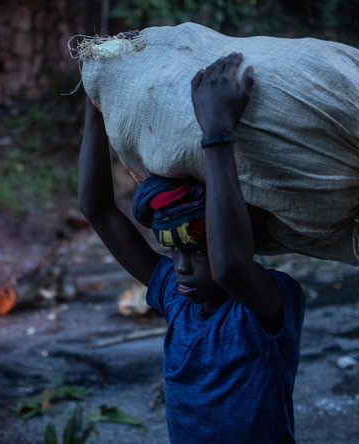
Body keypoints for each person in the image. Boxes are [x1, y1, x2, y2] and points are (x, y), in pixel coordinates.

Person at [78, 52, 306, 443]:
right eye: (173, 251)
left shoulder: (266, 305)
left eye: (197, 250)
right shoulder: (176, 298)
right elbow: (97, 209)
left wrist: (217, 132)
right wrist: (96, 101)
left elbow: (231, 266)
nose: (180, 266)